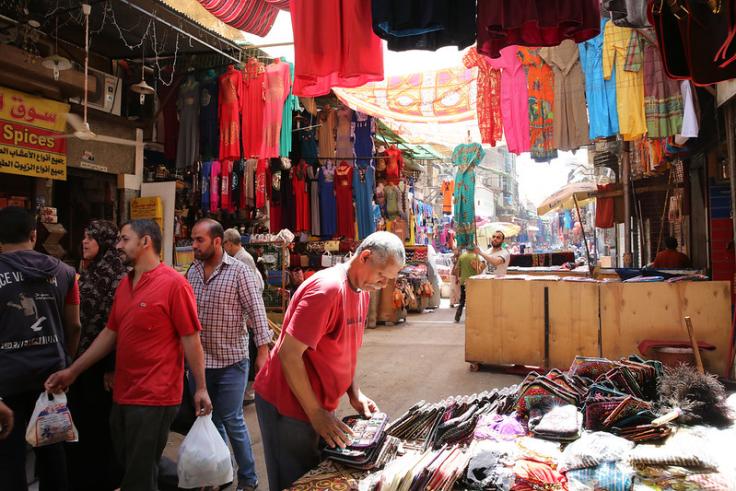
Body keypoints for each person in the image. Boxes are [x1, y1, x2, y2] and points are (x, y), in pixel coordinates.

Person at [45, 219, 212, 491]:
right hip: (123, 394)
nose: (118, 245)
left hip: (155, 397)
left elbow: (191, 339)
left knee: (139, 476)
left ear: (145, 242)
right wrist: (72, 371)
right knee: (127, 465)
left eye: (124, 239)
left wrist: (201, 387)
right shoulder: (125, 284)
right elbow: (110, 334)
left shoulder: (174, 284)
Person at [254, 231, 405, 491]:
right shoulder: (328, 290)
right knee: (295, 482)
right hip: (287, 403)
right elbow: (289, 355)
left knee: (317, 478)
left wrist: (354, 393)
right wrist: (315, 413)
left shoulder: (361, 291)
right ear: (364, 257)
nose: (383, 284)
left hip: (317, 403)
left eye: (388, 280)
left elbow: (346, 349)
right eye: (381, 276)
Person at [0, 206, 81, 491]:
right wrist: (67, 365)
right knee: (52, 452)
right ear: (34, 234)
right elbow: (75, 326)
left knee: (8, 457)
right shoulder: (66, 272)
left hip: (6, 382)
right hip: (51, 378)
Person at [187, 219, 271, 491]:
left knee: (233, 419)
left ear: (217, 241)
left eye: (199, 240)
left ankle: (248, 478)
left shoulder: (239, 272)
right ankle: (221, 473)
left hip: (232, 361)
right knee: (210, 419)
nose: (194, 245)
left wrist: (263, 351)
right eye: (193, 239)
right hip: (200, 364)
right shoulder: (193, 271)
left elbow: (257, 313)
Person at [67, 220, 128, 491]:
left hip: (103, 367)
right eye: (84, 237)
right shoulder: (90, 272)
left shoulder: (119, 275)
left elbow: (118, 327)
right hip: (82, 362)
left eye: (91, 237)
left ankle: (103, 480)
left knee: (99, 426)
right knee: (82, 421)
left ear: (104, 242)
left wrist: (112, 367)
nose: (85, 242)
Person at [223, 227, 264, 292]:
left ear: (229, 244)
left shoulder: (244, 258)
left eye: (223, 244)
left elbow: (250, 286)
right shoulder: (239, 257)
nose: (224, 248)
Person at [454, 246, 484, 323]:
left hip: (463, 281)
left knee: (462, 300)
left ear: (466, 249)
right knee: (473, 300)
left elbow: (456, 268)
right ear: (474, 249)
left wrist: (458, 277)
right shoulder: (476, 257)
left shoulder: (462, 256)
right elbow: (479, 270)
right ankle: (471, 317)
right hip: (473, 282)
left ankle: (457, 316)